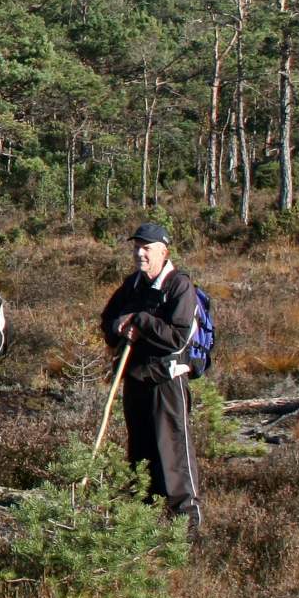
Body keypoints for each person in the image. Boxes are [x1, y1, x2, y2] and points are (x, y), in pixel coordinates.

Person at [101, 222, 203, 531]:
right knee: (141, 452)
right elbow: (108, 319)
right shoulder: (132, 284)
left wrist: (142, 321)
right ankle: (144, 520)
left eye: (146, 248)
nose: (139, 253)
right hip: (135, 379)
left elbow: (178, 337)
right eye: (137, 247)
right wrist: (119, 325)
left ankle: (186, 524)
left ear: (164, 251)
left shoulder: (179, 286)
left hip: (166, 380)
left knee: (172, 450)